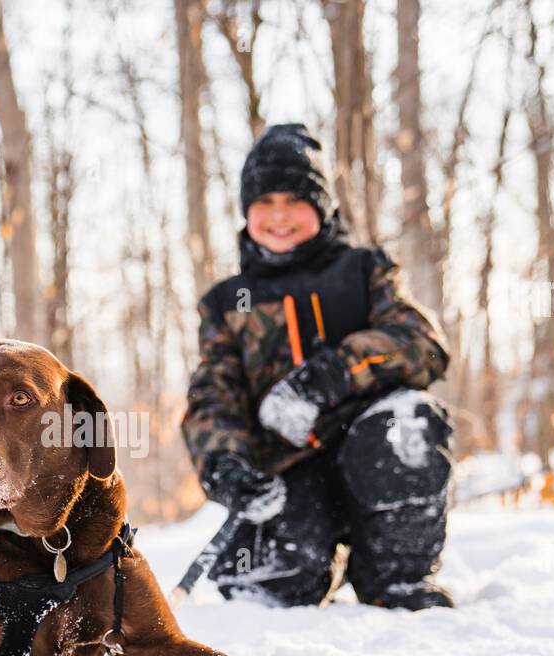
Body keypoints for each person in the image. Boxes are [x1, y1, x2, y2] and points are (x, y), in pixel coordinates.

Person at [181, 123, 454, 610]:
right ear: (247, 211)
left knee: (407, 420)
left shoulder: (364, 270)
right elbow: (213, 394)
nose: (279, 216)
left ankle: (395, 580)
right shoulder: (228, 302)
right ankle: (276, 573)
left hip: (371, 446)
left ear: (322, 205)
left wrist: (331, 374)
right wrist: (224, 463)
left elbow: (422, 344)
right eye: (265, 202)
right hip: (289, 466)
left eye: (295, 201)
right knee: (281, 584)